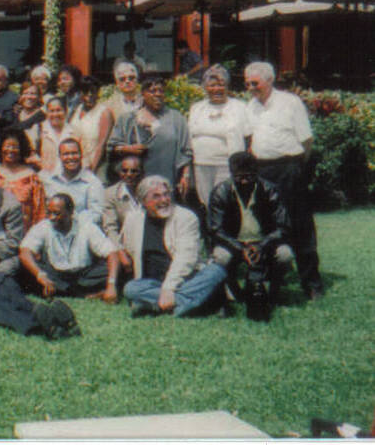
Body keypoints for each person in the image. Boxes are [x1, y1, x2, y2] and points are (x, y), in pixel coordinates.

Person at [244, 61, 323, 299]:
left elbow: (306, 141)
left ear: (270, 80)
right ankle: (271, 282)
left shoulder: (290, 103)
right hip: (262, 170)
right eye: (247, 83)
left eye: (254, 83)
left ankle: (311, 283)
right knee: (267, 226)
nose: (250, 88)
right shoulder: (251, 106)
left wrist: (297, 169)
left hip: (289, 167)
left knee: (300, 226)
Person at [121, 176, 227, 317]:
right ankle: (191, 305)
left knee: (216, 271)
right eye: (156, 196)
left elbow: (186, 258)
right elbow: (125, 245)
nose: (164, 200)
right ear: (143, 201)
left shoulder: (186, 217)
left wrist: (169, 289)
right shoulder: (133, 219)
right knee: (130, 288)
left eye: (166, 194)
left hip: (186, 279)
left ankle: (155, 306)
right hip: (153, 283)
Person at [208, 153, 295, 316]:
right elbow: (215, 230)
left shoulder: (270, 190)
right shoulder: (221, 192)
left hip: (265, 241)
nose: (245, 181)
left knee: (285, 255)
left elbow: (284, 227)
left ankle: (274, 294)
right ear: (231, 174)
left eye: (250, 176)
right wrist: (241, 248)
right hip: (233, 242)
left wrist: (261, 246)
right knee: (220, 257)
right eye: (240, 177)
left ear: (257, 173)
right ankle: (232, 293)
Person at [19, 194, 120, 300]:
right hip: (55, 274)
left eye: (56, 213)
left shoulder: (86, 226)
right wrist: (40, 275)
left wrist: (111, 285)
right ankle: (85, 295)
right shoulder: (44, 226)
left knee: (112, 268)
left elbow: (112, 253)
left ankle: (63, 292)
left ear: (71, 212)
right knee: (24, 267)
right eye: (49, 213)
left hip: (84, 276)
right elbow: (25, 251)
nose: (52, 218)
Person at [108, 76, 192, 196]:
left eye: (161, 91)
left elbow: (186, 151)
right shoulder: (128, 119)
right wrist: (129, 149)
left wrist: (185, 176)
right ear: (143, 94)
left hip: (167, 179)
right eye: (152, 91)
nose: (157, 94)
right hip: (136, 180)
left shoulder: (176, 118)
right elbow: (112, 147)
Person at [188, 64, 251, 207]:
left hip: (227, 165)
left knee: (225, 200)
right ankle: (210, 228)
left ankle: (225, 229)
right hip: (201, 164)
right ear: (205, 87)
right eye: (212, 85)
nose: (216, 89)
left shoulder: (239, 107)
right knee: (205, 200)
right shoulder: (196, 108)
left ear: (228, 86)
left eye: (221, 85)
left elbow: (248, 137)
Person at [39, 138, 105, 225]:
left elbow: (97, 214)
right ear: (59, 157)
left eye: (74, 153)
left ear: (81, 155)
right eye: (66, 154)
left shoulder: (92, 182)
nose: (71, 157)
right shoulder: (50, 180)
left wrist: (71, 221)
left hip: (82, 230)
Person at [0, 128, 47, 231]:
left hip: (24, 234)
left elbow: (39, 211)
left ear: (21, 149)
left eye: (15, 147)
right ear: (0, 148)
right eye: (7, 146)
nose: (10, 150)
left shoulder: (31, 176)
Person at [70, 76, 114, 181]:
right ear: (80, 93)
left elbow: (101, 145)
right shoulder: (77, 110)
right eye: (85, 92)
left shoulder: (104, 113)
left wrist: (91, 172)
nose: (89, 96)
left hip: (96, 167)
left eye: (93, 92)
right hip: (76, 165)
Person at [101, 155, 144, 243]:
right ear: (119, 173)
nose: (129, 174)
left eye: (134, 171)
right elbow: (111, 229)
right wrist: (120, 251)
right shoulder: (110, 194)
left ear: (142, 173)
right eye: (124, 171)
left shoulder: (149, 191)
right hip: (123, 243)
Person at [35, 97, 80, 173]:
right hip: (47, 179)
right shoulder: (38, 131)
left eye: (58, 110)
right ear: (47, 113)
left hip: (70, 179)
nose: (55, 114)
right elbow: (31, 156)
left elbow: (85, 160)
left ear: (66, 111)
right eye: (51, 111)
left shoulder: (76, 132)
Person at [13, 83, 46, 153]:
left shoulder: (42, 117)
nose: (29, 97)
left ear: (39, 97)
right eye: (25, 93)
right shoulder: (15, 114)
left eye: (33, 94)